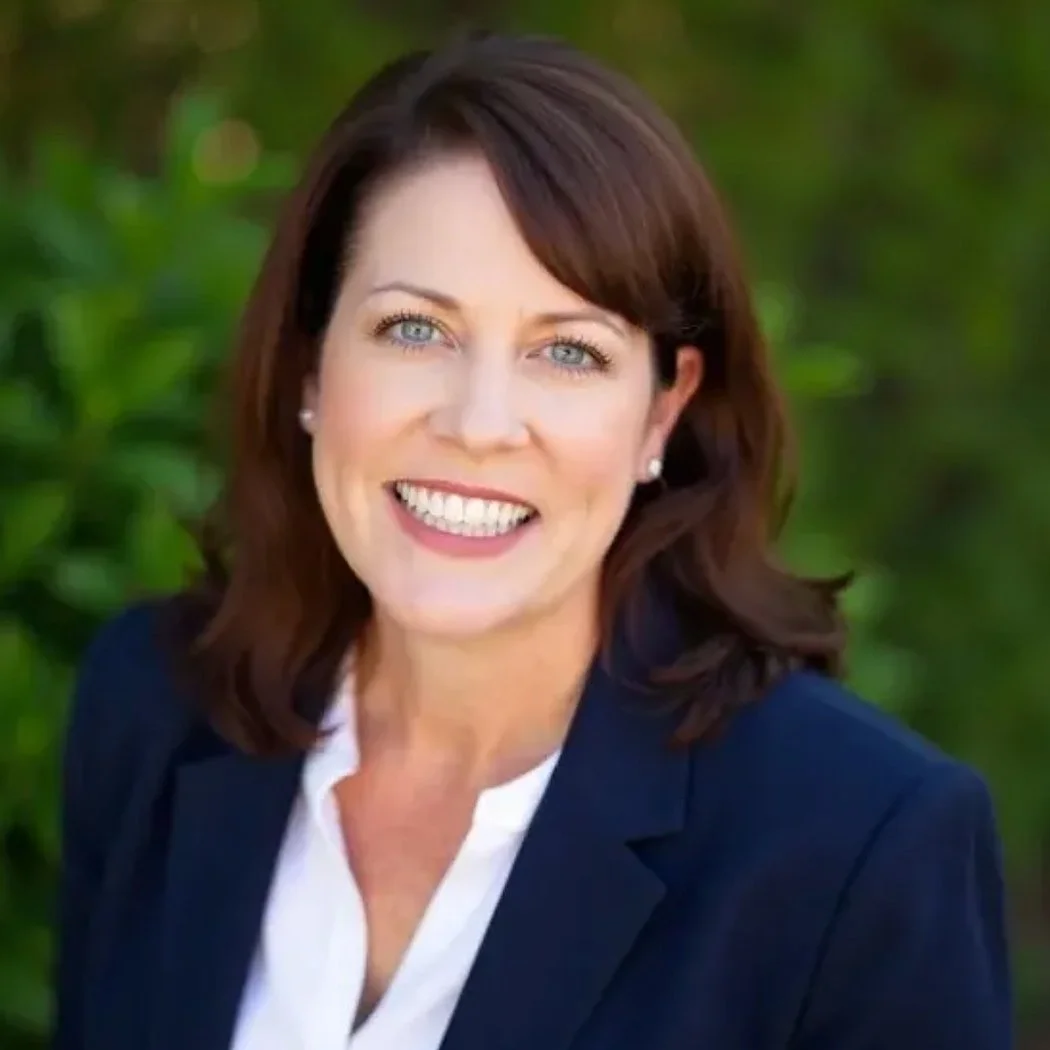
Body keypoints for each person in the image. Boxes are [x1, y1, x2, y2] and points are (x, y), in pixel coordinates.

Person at [53, 30, 1011, 1050]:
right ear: (308, 363)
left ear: (660, 413)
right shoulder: (154, 706)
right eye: (416, 330)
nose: (479, 423)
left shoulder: (860, 846)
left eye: (568, 352)